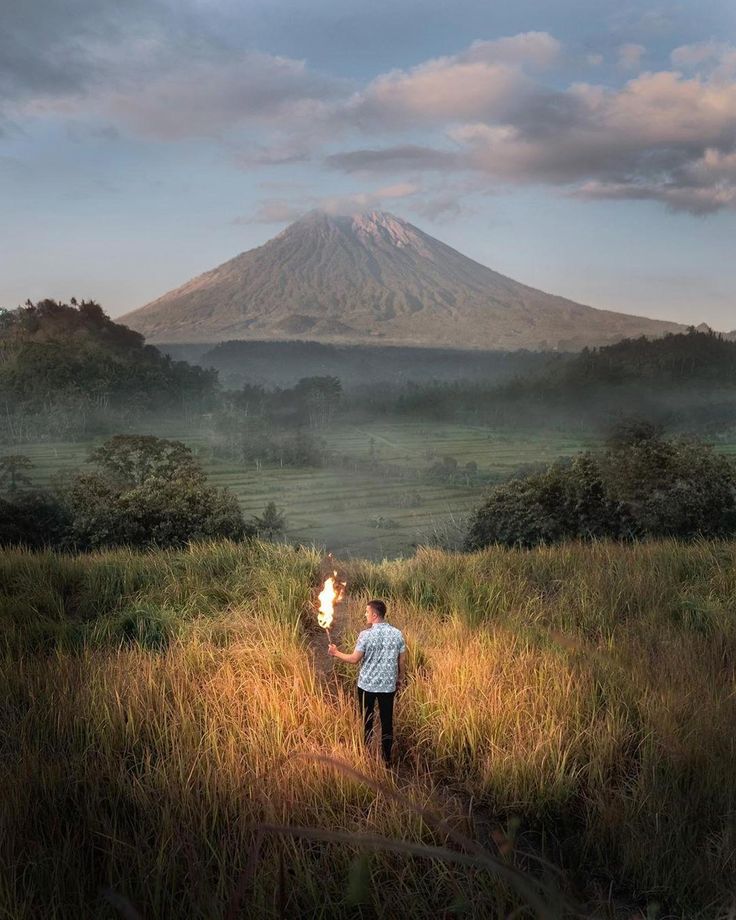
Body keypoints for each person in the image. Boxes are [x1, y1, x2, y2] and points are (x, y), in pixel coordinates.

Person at [328, 599, 406, 765]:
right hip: (388, 686)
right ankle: (387, 759)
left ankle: (366, 755)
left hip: (367, 687)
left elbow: (354, 659)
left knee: (367, 720)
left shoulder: (365, 635)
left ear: (375, 615)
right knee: (387, 722)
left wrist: (335, 653)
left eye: (367, 612)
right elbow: (401, 661)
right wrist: (400, 679)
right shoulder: (397, 634)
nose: (365, 614)